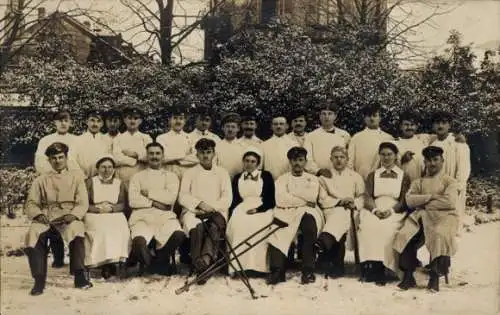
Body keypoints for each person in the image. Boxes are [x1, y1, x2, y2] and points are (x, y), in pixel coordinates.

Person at [24, 142, 92, 296]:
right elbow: (31, 203)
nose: (58, 161)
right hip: (47, 216)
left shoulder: (77, 177)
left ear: (67, 158)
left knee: (77, 230)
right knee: (33, 233)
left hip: (68, 216)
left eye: (61, 157)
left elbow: (82, 202)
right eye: (53, 158)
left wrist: (74, 215)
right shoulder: (41, 180)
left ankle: (79, 275)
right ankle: (39, 279)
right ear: (49, 160)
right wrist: (37, 214)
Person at [393, 146, 459, 292]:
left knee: (439, 235)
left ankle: (434, 276)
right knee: (404, 234)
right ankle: (408, 275)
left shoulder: (450, 182)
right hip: (420, 217)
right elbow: (409, 200)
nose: (432, 164)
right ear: (425, 162)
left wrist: (422, 202)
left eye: (436, 160)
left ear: (442, 161)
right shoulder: (418, 182)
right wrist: (431, 197)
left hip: (444, 217)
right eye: (429, 161)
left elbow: (449, 202)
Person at [267, 147, 328, 285]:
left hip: (308, 211)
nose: (297, 163)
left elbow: (312, 197)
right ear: (290, 161)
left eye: (301, 160)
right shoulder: (282, 179)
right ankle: (277, 270)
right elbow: (281, 199)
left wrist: (294, 197)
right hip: (286, 210)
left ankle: (308, 270)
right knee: (278, 230)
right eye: (294, 160)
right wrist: (303, 199)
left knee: (310, 228)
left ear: (305, 162)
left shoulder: (312, 179)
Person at [356, 142, 412, 285]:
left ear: (395, 156)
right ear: (379, 156)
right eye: (383, 154)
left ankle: (384, 266)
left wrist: (391, 211)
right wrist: (375, 210)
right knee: (368, 225)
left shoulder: (403, 176)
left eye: (389, 154)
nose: (386, 158)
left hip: (394, 209)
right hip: (375, 208)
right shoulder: (373, 175)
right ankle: (372, 266)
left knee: (387, 228)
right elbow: (367, 196)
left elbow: (404, 199)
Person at [128, 142, 186, 275]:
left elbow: (170, 199)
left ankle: (158, 261)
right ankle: (155, 264)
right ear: (147, 156)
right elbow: (133, 201)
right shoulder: (138, 176)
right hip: (142, 216)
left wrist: (148, 194)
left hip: (164, 217)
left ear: (163, 156)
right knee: (139, 240)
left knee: (179, 234)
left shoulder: (171, 176)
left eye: (158, 153)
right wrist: (156, 203)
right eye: (151, 153)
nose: (155, 156)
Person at [178, 138, 232, 283]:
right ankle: (200, 263)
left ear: (214, 153)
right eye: (202, 153)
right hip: (194, 211)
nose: (206, 156)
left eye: (209, 152)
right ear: (197, 155)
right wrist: (199, 205)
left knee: (213, 228)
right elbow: (182, 196)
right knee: (198, 227)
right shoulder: (190, 173)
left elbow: (227, 198)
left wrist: (210, 208)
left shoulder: (222, 173)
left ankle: (204, 262)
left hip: (216, 211)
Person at [315, 146, 365, 278]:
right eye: (336, 157)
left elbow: (362, 196)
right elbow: (322, 198)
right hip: (330, 209)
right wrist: (340, 201)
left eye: (342, 157)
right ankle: (337, 265)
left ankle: (325, 242)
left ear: (347, 159)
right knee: (339, 215)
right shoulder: (324, 177)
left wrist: (353, 202)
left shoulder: (355, 176)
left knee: (342, 216)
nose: (339, 160)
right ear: (331, 159)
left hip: (352, 210)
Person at [226, 147, 276, 275]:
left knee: (259, 226)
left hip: (262, 207)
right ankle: (239, 266)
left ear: (258, 163)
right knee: (238, 225)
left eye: (253, 161)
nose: (249, 164)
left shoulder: (266, 176)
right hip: (242, 207)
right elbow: (234, 199)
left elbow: (271, 199)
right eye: (247, 161)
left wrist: (258, 210)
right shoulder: (238, 177)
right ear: (243, 162)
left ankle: (259, 267)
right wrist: (233, 213)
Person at [83, 155, 129, 279]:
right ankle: (100, 263)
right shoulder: (90, 182)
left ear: (114, 169)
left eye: (109, 167)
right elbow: (84, 203)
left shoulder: (120, 183)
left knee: (121, 227)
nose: (106, 170)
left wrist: (112, 209)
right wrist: (97, 210)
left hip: (113, 212)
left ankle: (114, 262)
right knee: (101, 229)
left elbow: (122, 203)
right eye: (103, 167)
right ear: (98, 168)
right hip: (94, 213)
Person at [429, 111, 470, 234]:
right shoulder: (432, 143)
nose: (440, 126)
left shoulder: (459, 144)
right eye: (437, 123)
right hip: (436, 191)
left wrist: (456, 189)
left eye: (444, 123)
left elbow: (463, 170)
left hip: (453, 191)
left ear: (449, 125)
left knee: (451, 230)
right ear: (433, 126)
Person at [261, 113, 320, 180]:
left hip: (290, 181)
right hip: (270, 181)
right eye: (275, 124)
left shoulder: (294, 144)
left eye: (281, 124)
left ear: (287, 126)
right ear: (271, 127)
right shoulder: (264, 145)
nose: (278, 126)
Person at [348, 103, 394, 180]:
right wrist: (354, 179)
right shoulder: (356, 138)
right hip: (360, 180)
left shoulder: (388, 138)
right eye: (369, 116)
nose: (372, 119)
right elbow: (350, 163)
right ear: (364, 118)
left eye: (375, 116)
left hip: (383, 180)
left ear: (380, 118)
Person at [304, 102, 350, 170]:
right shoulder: (311, 136)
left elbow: (349, 157)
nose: (326, 117)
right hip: (318, 175)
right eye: (324, 114)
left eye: (330, 114)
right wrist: (318, 171)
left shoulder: (344, 135)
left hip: (339, 174)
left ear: (335, 116)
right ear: (320, 116)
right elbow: (308, 158)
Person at [156, 106, 198, 179]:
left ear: (184, 121)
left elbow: (196, 157)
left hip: (186, 173)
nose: (178, 121)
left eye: (181, 118)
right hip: (167, 173)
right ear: (169, 120)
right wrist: (184, 156)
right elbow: (163, 157)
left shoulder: (192, 138)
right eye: (175, 118)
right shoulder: (161, 138)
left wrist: (176, 161)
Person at [112, 107, 153, 183]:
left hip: (141, 174)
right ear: (124, 120)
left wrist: (135, 155)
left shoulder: (146, 138)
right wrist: (136, 161)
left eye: (136, 118)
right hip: (122, 175)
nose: (133, 121)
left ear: (140, 121)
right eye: (129, 118)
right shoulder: (118, 138)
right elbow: (116, 158)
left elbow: (150, 156)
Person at [34, 110, 81, 175]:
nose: (63, 123)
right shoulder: (45, 140)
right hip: (51, 177)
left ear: (70, 123)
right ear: (55, 123)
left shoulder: (77, 140)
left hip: (73, 177)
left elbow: (81, 162)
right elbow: (40, 162)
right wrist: (53, 175)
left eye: (66, 121)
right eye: (60, 121)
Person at [75, 110, 109, 179]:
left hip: (102, 180)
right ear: (87, 121)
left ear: (102, 123)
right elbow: (72, 161)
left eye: (98, 121)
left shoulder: (107, 140)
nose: (95, 124)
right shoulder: (78, 140)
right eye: (92, 120)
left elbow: (109, 161)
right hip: (82, 179)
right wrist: (83, 177)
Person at [394, 111, 427, 182]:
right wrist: (402, 160)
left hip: (419, 185)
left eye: (412, 125)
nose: (409, 127)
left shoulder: (422, 143)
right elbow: (388, 168)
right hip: (399, 185)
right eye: (406, 124)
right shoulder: (395, 144)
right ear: (400, 126)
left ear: (416, 127)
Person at [217, 113, 247, 178]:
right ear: (223, 128)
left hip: (239, 182)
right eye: (227, 126)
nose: (230, 129)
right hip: (221, 181)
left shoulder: (244, 146)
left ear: (238, 129)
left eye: (233, 127)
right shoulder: (217, 146)